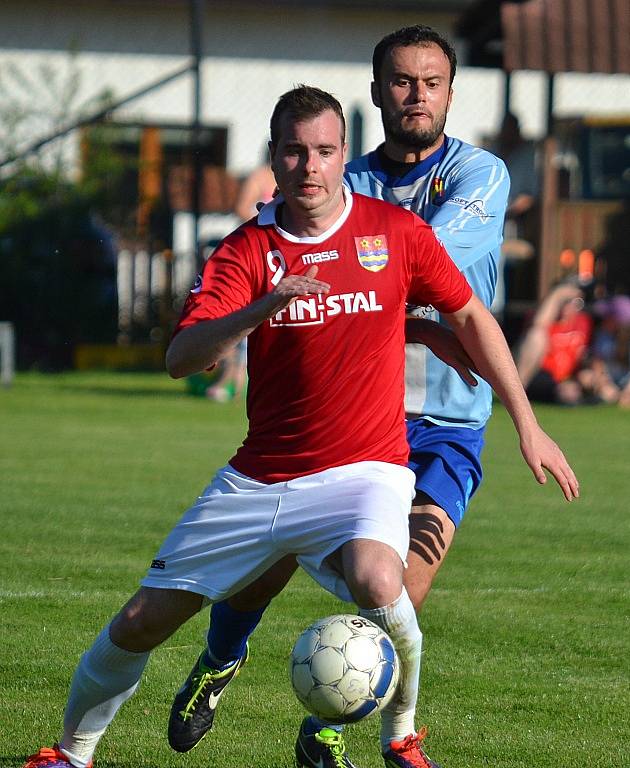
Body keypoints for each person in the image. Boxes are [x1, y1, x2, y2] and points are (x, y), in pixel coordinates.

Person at [23, 85, 577, 768]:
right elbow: (180, 357)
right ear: (274, 158)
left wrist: (527, 422)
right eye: (294, 151)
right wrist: (259, 307)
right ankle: (71, 755)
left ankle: (399, 735)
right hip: (262, 477)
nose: (309, 167)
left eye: (323, 151)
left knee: (383, 581)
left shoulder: (395, 233)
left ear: (344, 156)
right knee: (139, 624)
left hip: (363, 471)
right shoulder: (246, 251)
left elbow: (470, 316)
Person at [165, 27, 579, 768]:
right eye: (400, 80)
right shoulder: (337, 181)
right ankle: (220, 660)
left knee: (399, 592)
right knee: (265, 567)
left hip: (448, 420)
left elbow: (418, 263)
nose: (415, 94)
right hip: (348, 416)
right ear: (376, 90)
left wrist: (525, 419)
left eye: (430, 81)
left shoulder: (478, 176)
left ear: (451, 93)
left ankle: (327, 727)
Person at [515, 281, 593, 405]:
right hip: (541, 374)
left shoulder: (582, 322)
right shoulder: (545, 320)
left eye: (575, 302)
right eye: (565, 302)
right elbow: (538, 324)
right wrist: (557, 294)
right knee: (536, 335)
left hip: (569, 377)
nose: (569, 306)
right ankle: (516, 394)